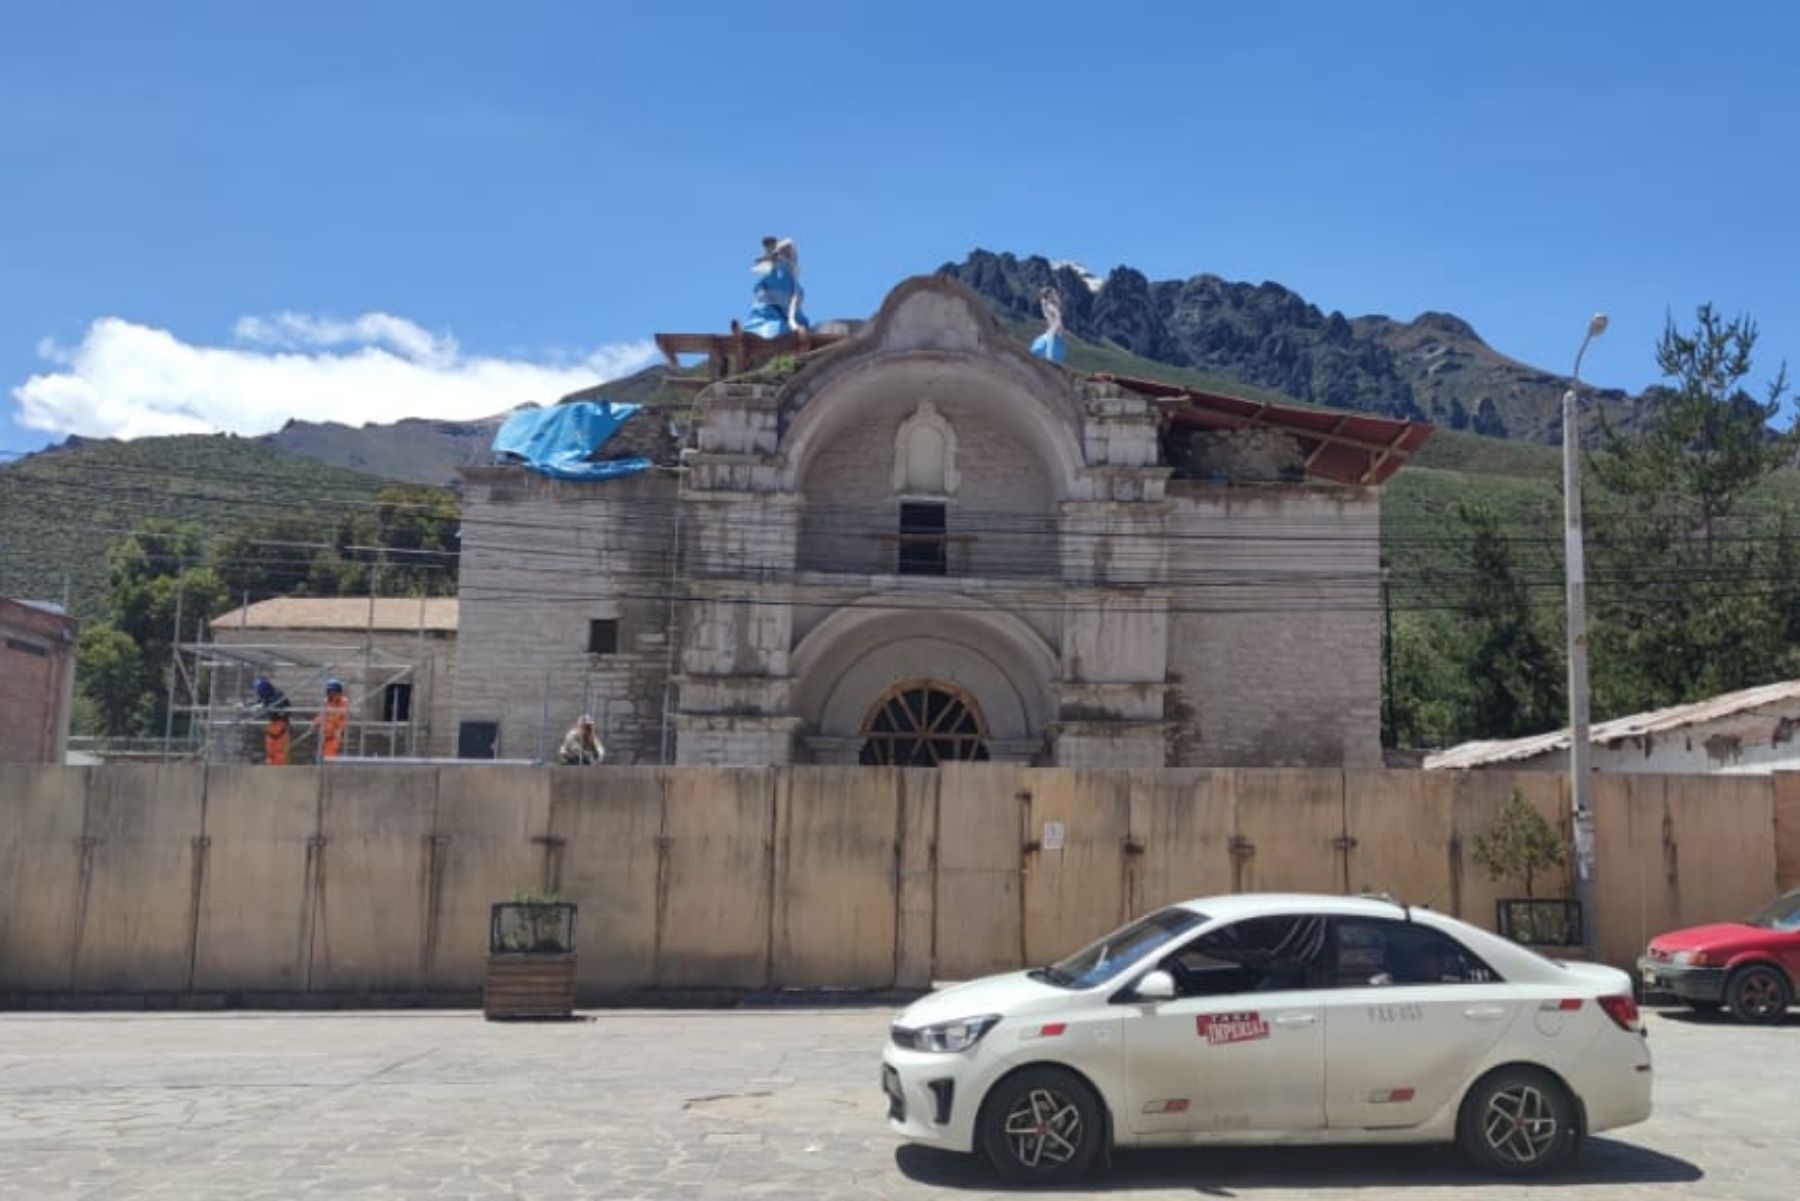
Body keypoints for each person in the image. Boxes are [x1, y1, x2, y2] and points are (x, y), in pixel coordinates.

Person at [745, 236, 809, 338]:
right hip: (772, 328)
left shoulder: (780, 277)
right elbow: (789, 309)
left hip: (756, 327)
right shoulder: (780, 277)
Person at [320, 678, 349, 760]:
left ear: (338, 691)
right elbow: (321, 715)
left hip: (335, 735)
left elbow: (342, 718)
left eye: (333, 691)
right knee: (323, 755)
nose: (331, 693)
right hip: (326, 734)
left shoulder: (343, 702)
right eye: (329, 691)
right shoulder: (327, 702)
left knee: (330, 756)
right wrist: (315, 723)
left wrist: (339, 730)